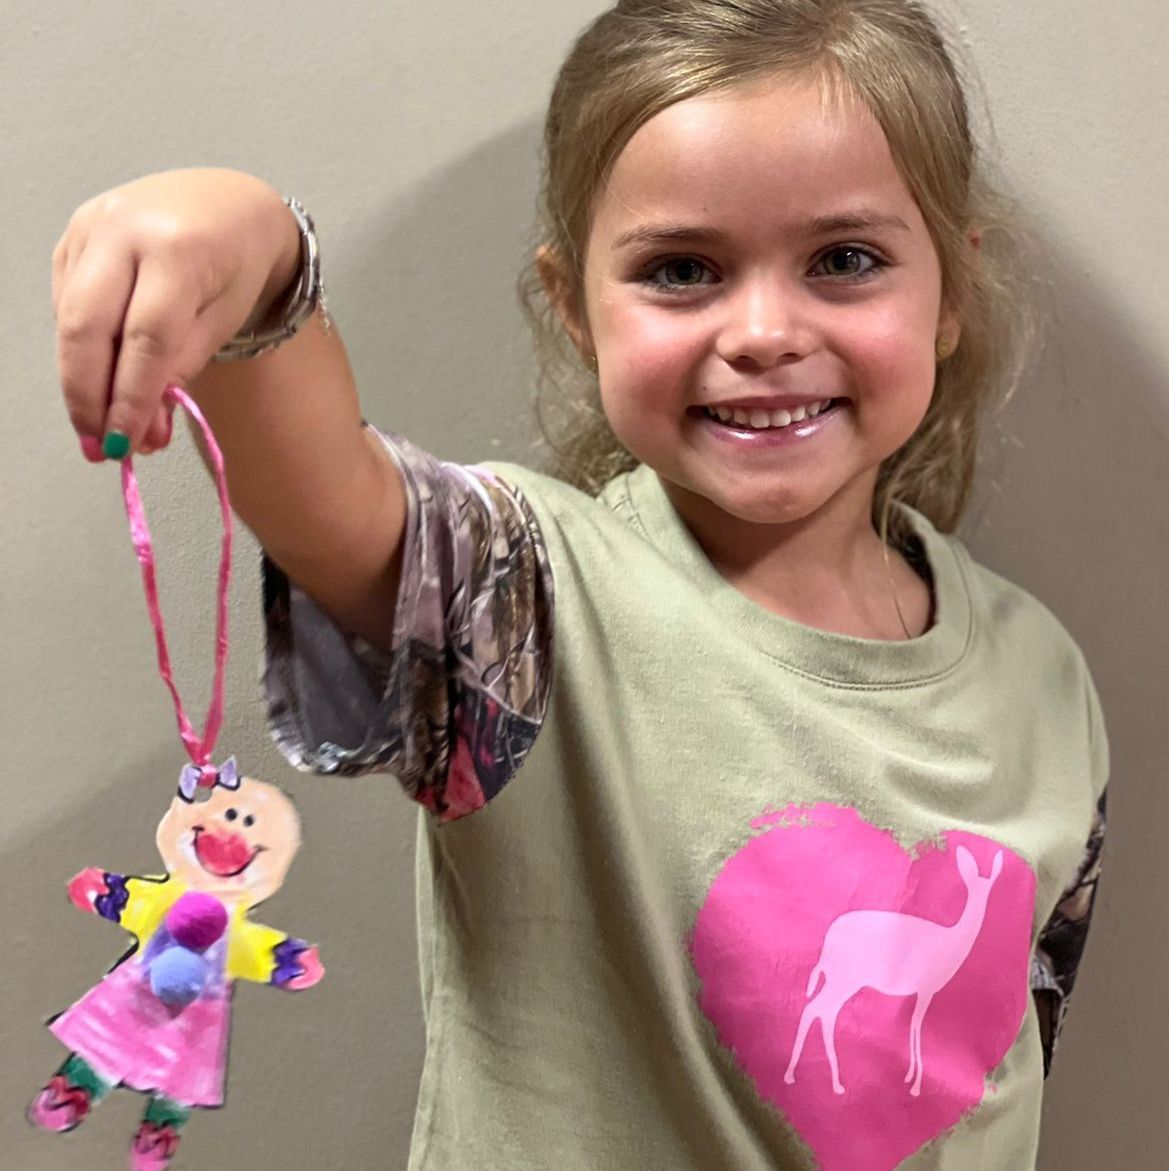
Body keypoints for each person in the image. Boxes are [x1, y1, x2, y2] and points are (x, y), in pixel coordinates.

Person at [46, 2, 1108, 1168]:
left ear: (949, 291)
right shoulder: (522, 602)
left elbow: (1003, 1064)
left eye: (843, 261)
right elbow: (330, 501)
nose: (762, 331)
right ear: (574, 307)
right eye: (680, 271)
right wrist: (252, 257)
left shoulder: (1043, 678)